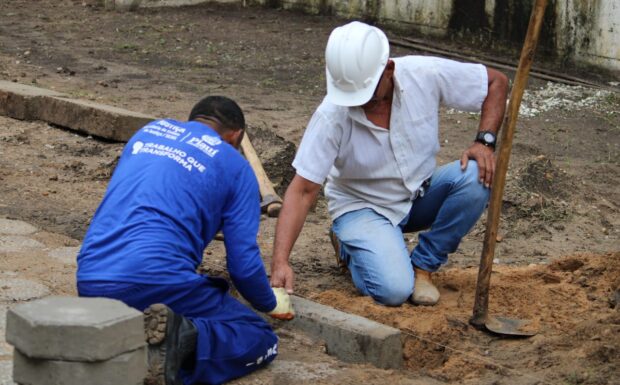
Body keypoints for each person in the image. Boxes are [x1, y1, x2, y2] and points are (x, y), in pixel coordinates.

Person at [269, 21, 508, 307]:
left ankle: (423, 266)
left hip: (418, 193)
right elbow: (303, 190)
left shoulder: (424, 74)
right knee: (393, 291)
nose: (359, 103)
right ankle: (350, 247)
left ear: (389, 70)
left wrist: (484, 142)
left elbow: (496, 83)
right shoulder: (331, 116)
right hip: (362, 206)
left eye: (367, 95)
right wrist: (281, 261)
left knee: (475, 176)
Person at [76, 96, 293, 385]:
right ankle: (180, 344)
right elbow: (242, 264)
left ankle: (133, 338)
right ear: (236, 136)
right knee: (258, 335)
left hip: (91, 279)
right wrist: (269, 301)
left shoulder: (149, 133)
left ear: (193, 121)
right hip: (152, 279)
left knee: (162, 298)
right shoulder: (237, 167)